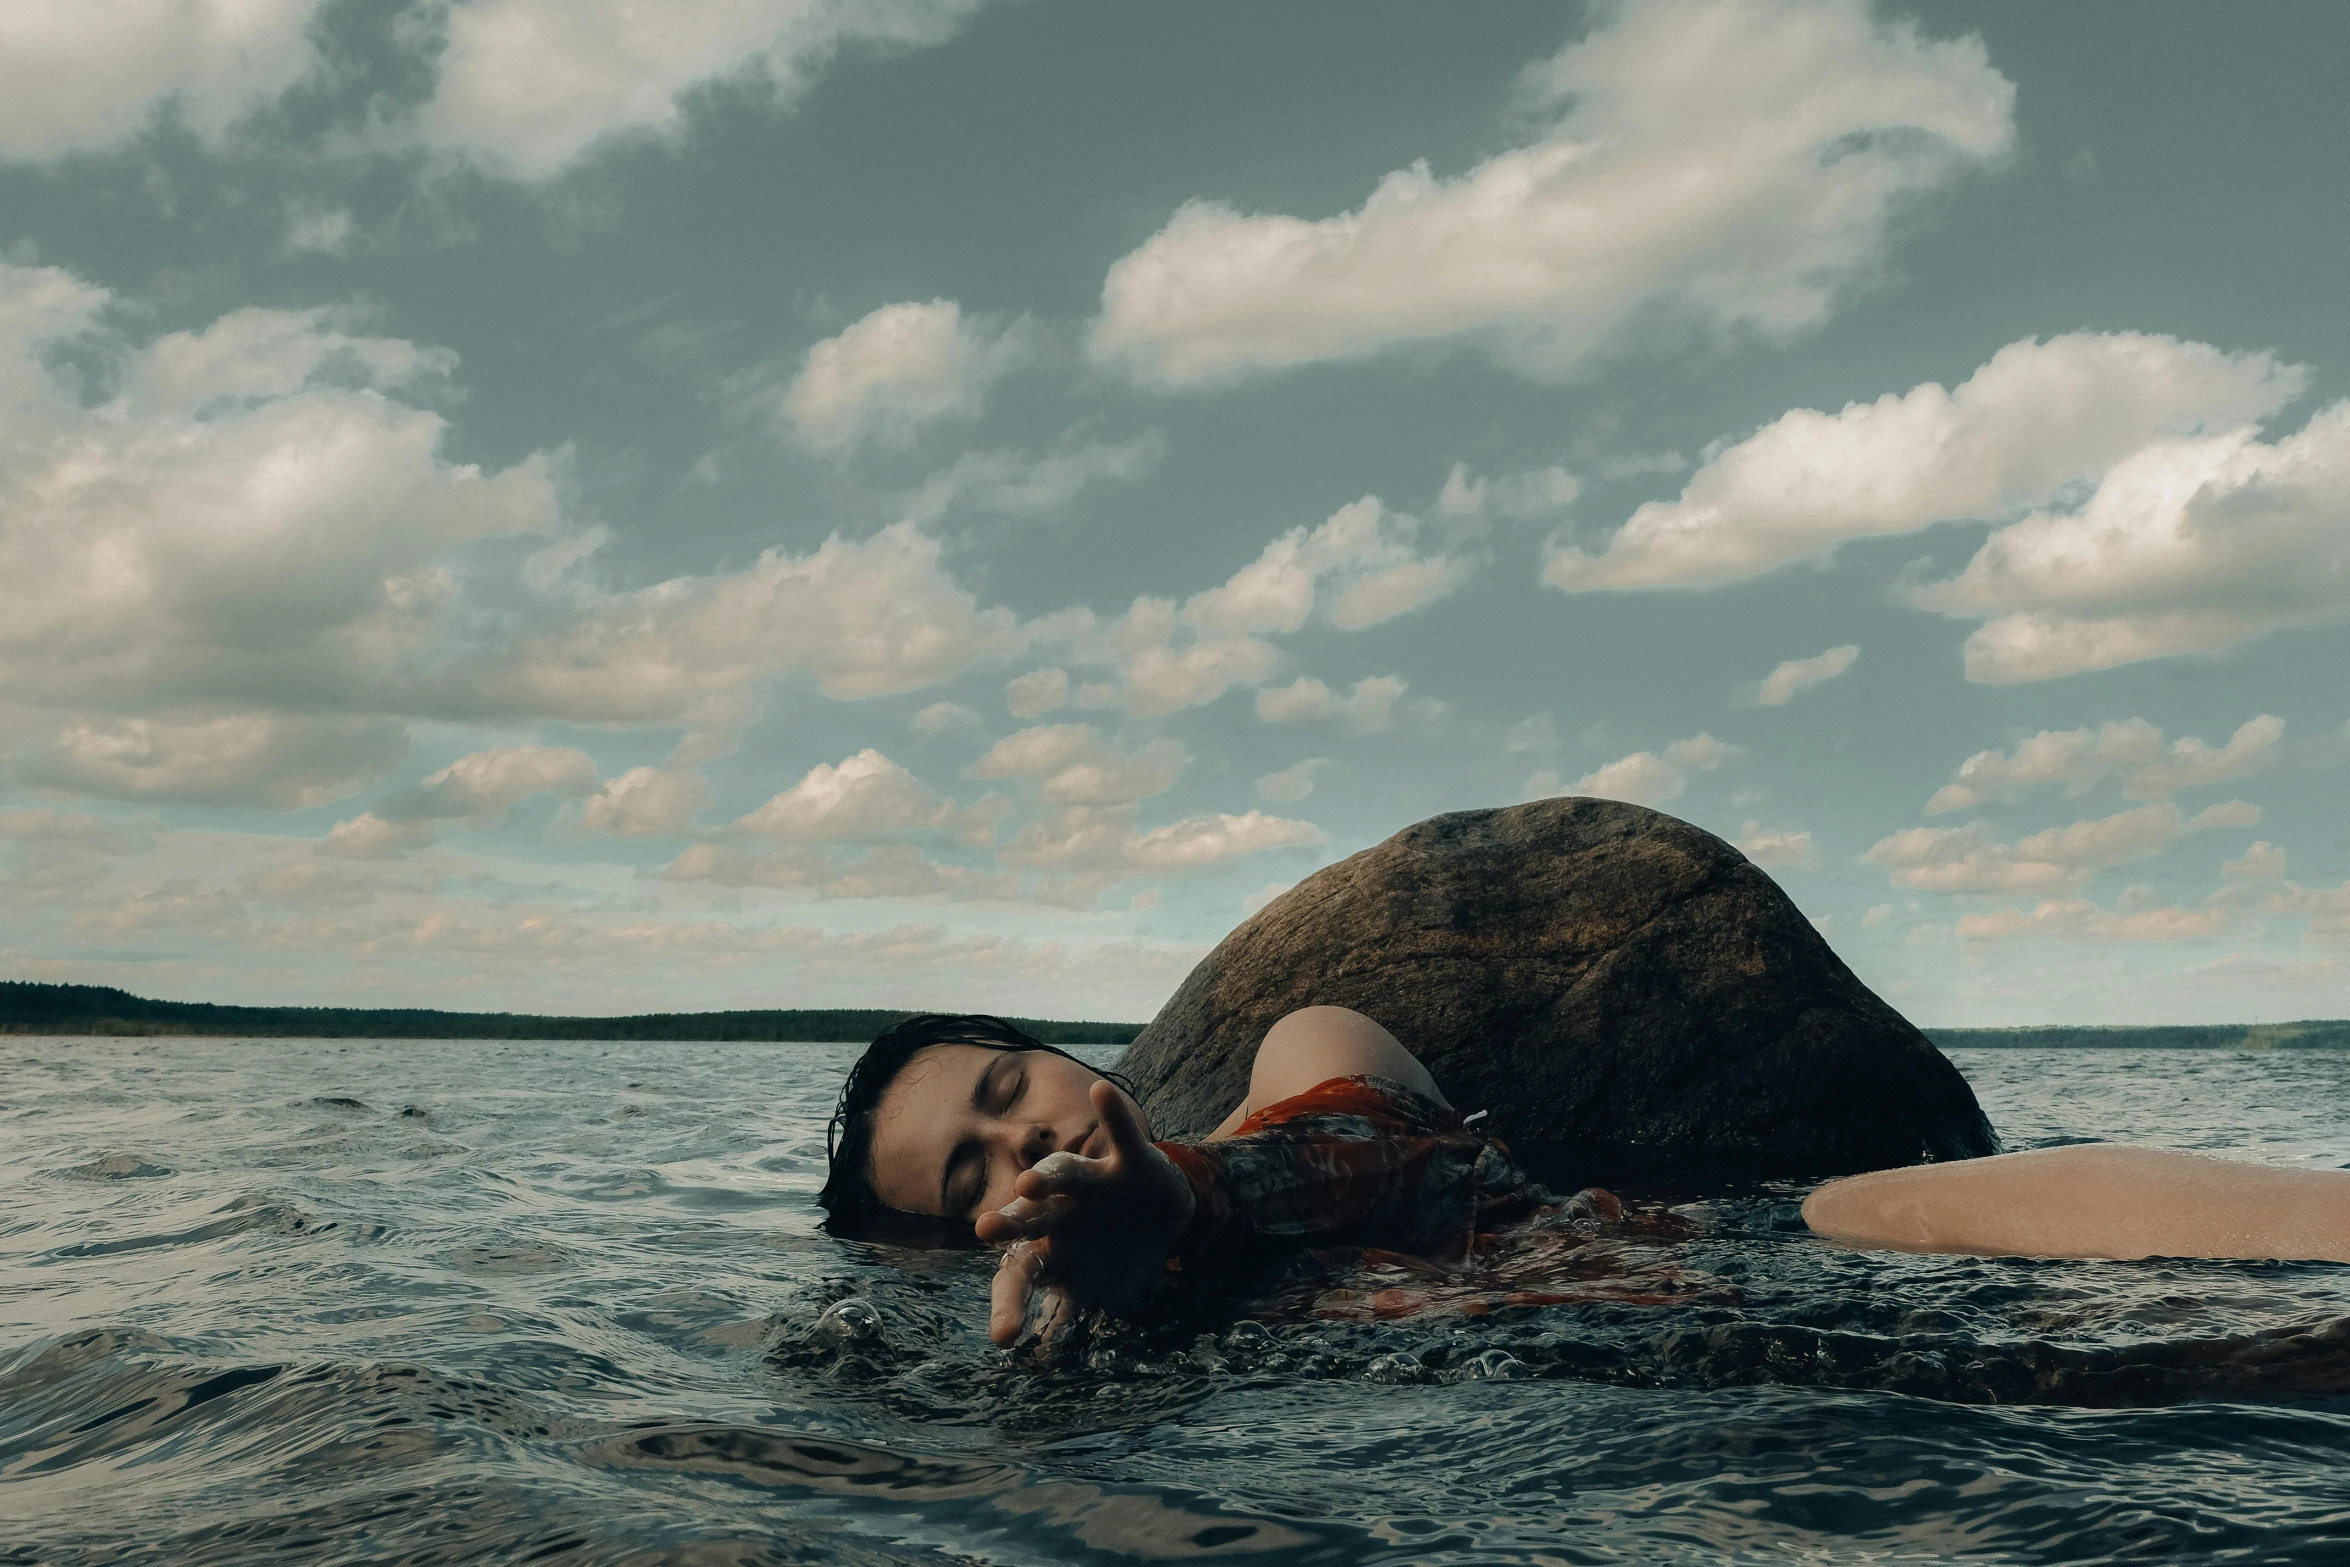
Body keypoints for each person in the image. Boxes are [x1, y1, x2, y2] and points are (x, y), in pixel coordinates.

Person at [819, 1007, 2350, 1347]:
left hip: (1729, 1267)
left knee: (1851, 1206)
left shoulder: (1299, 1073)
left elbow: (1328, 1125)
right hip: (1649, 1405)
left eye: (1010, 1088)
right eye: (965, 1167)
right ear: (950, 1245)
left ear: (1098, 1070)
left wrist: (1184, 1208)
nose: (1017, 1139)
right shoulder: (1058, 1336)